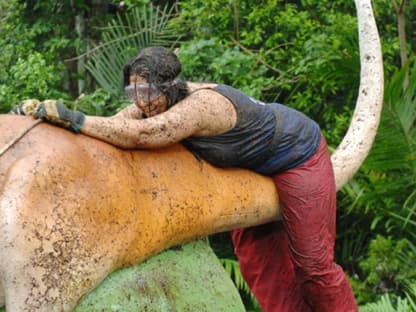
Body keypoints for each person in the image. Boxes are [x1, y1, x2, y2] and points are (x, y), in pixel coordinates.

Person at [13, 46, 358, 312]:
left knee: (313, 264)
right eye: (133, 93)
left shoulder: (200, 107)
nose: (140, 102)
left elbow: (145, 135)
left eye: (146, 92)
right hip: (249, 165)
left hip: (297, 154)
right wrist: (56, 121)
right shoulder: (153, 101)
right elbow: (119, 125)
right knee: (257, 264)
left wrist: (76, 118)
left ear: (170, 87)